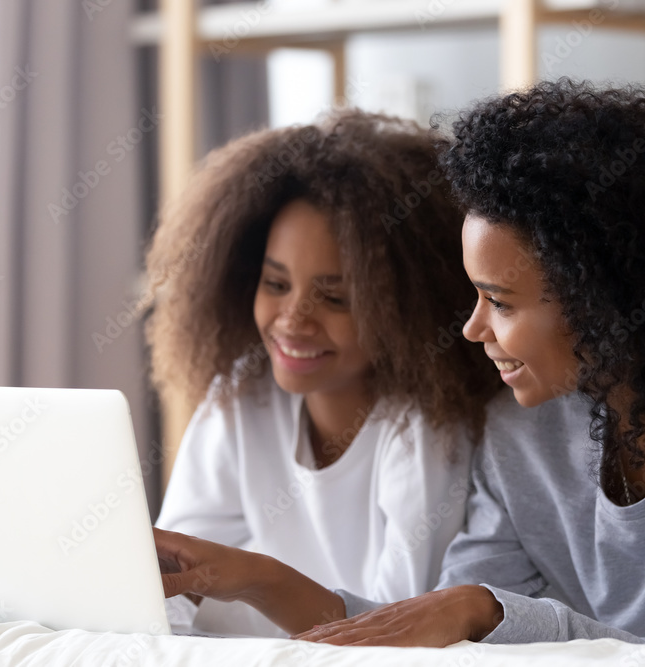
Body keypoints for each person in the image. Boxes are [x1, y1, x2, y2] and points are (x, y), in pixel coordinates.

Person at [157, 79, 645, 648]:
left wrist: (494, 613)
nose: (472, 329)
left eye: (498, 300)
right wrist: (245, 576)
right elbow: (437, 628)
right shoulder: (518, 425)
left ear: (603, 300)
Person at [145, 108, 502, 637]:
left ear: (405, 307)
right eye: (275, 284)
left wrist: (253, 584)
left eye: (334, 297)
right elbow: (171, 592)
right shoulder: (242, 394)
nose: (293, 321)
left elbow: (396, 627)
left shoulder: (424, 426)